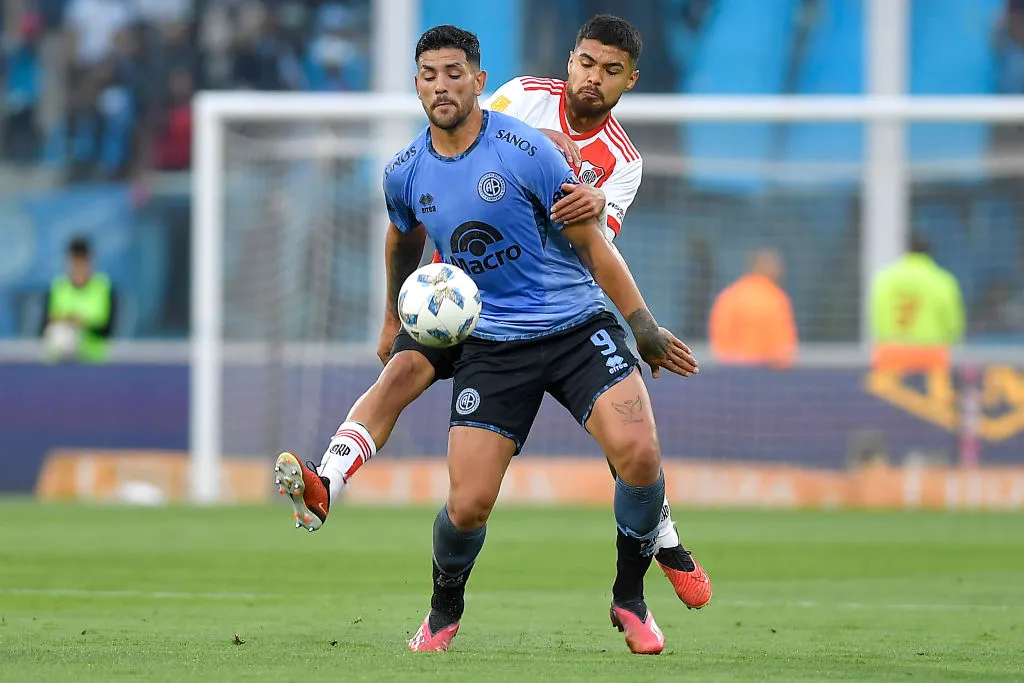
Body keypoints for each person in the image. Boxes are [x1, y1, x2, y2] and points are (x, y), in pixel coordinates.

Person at [276, 25, 700, 654]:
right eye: (429, 75)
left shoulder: (589, 157)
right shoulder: (432, 153)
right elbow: (403, 237)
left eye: (609, 69)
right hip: (471, 312)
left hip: (571, 320)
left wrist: (643, 325)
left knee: (638, 451)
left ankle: (632, 593)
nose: (443, 85)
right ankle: (349, 507)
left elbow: (593, 242)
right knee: (460, 489)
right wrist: (394, 315)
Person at [869, 234, 965, 373]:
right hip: (931, 358)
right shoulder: (942, 281)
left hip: (891, 358)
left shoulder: (884, 279)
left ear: (905, 250)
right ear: (930, 253)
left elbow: (878, 321)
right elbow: (954, 326)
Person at [708, 248, 798, 368]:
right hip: (766, 369)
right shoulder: (774, 298)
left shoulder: (730, 295)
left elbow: (720, 333)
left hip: (732, 368)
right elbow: (782, 345)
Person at [41, 237, 117, 363]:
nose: (79, 267)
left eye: (83, 261)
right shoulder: (59, 286)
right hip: (59, 361)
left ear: (90, 261)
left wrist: (82, 324)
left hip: (94, 361)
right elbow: (46, 322)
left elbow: (107, 328)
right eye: (75, 261)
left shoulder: (102, 286)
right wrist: (66, 321)